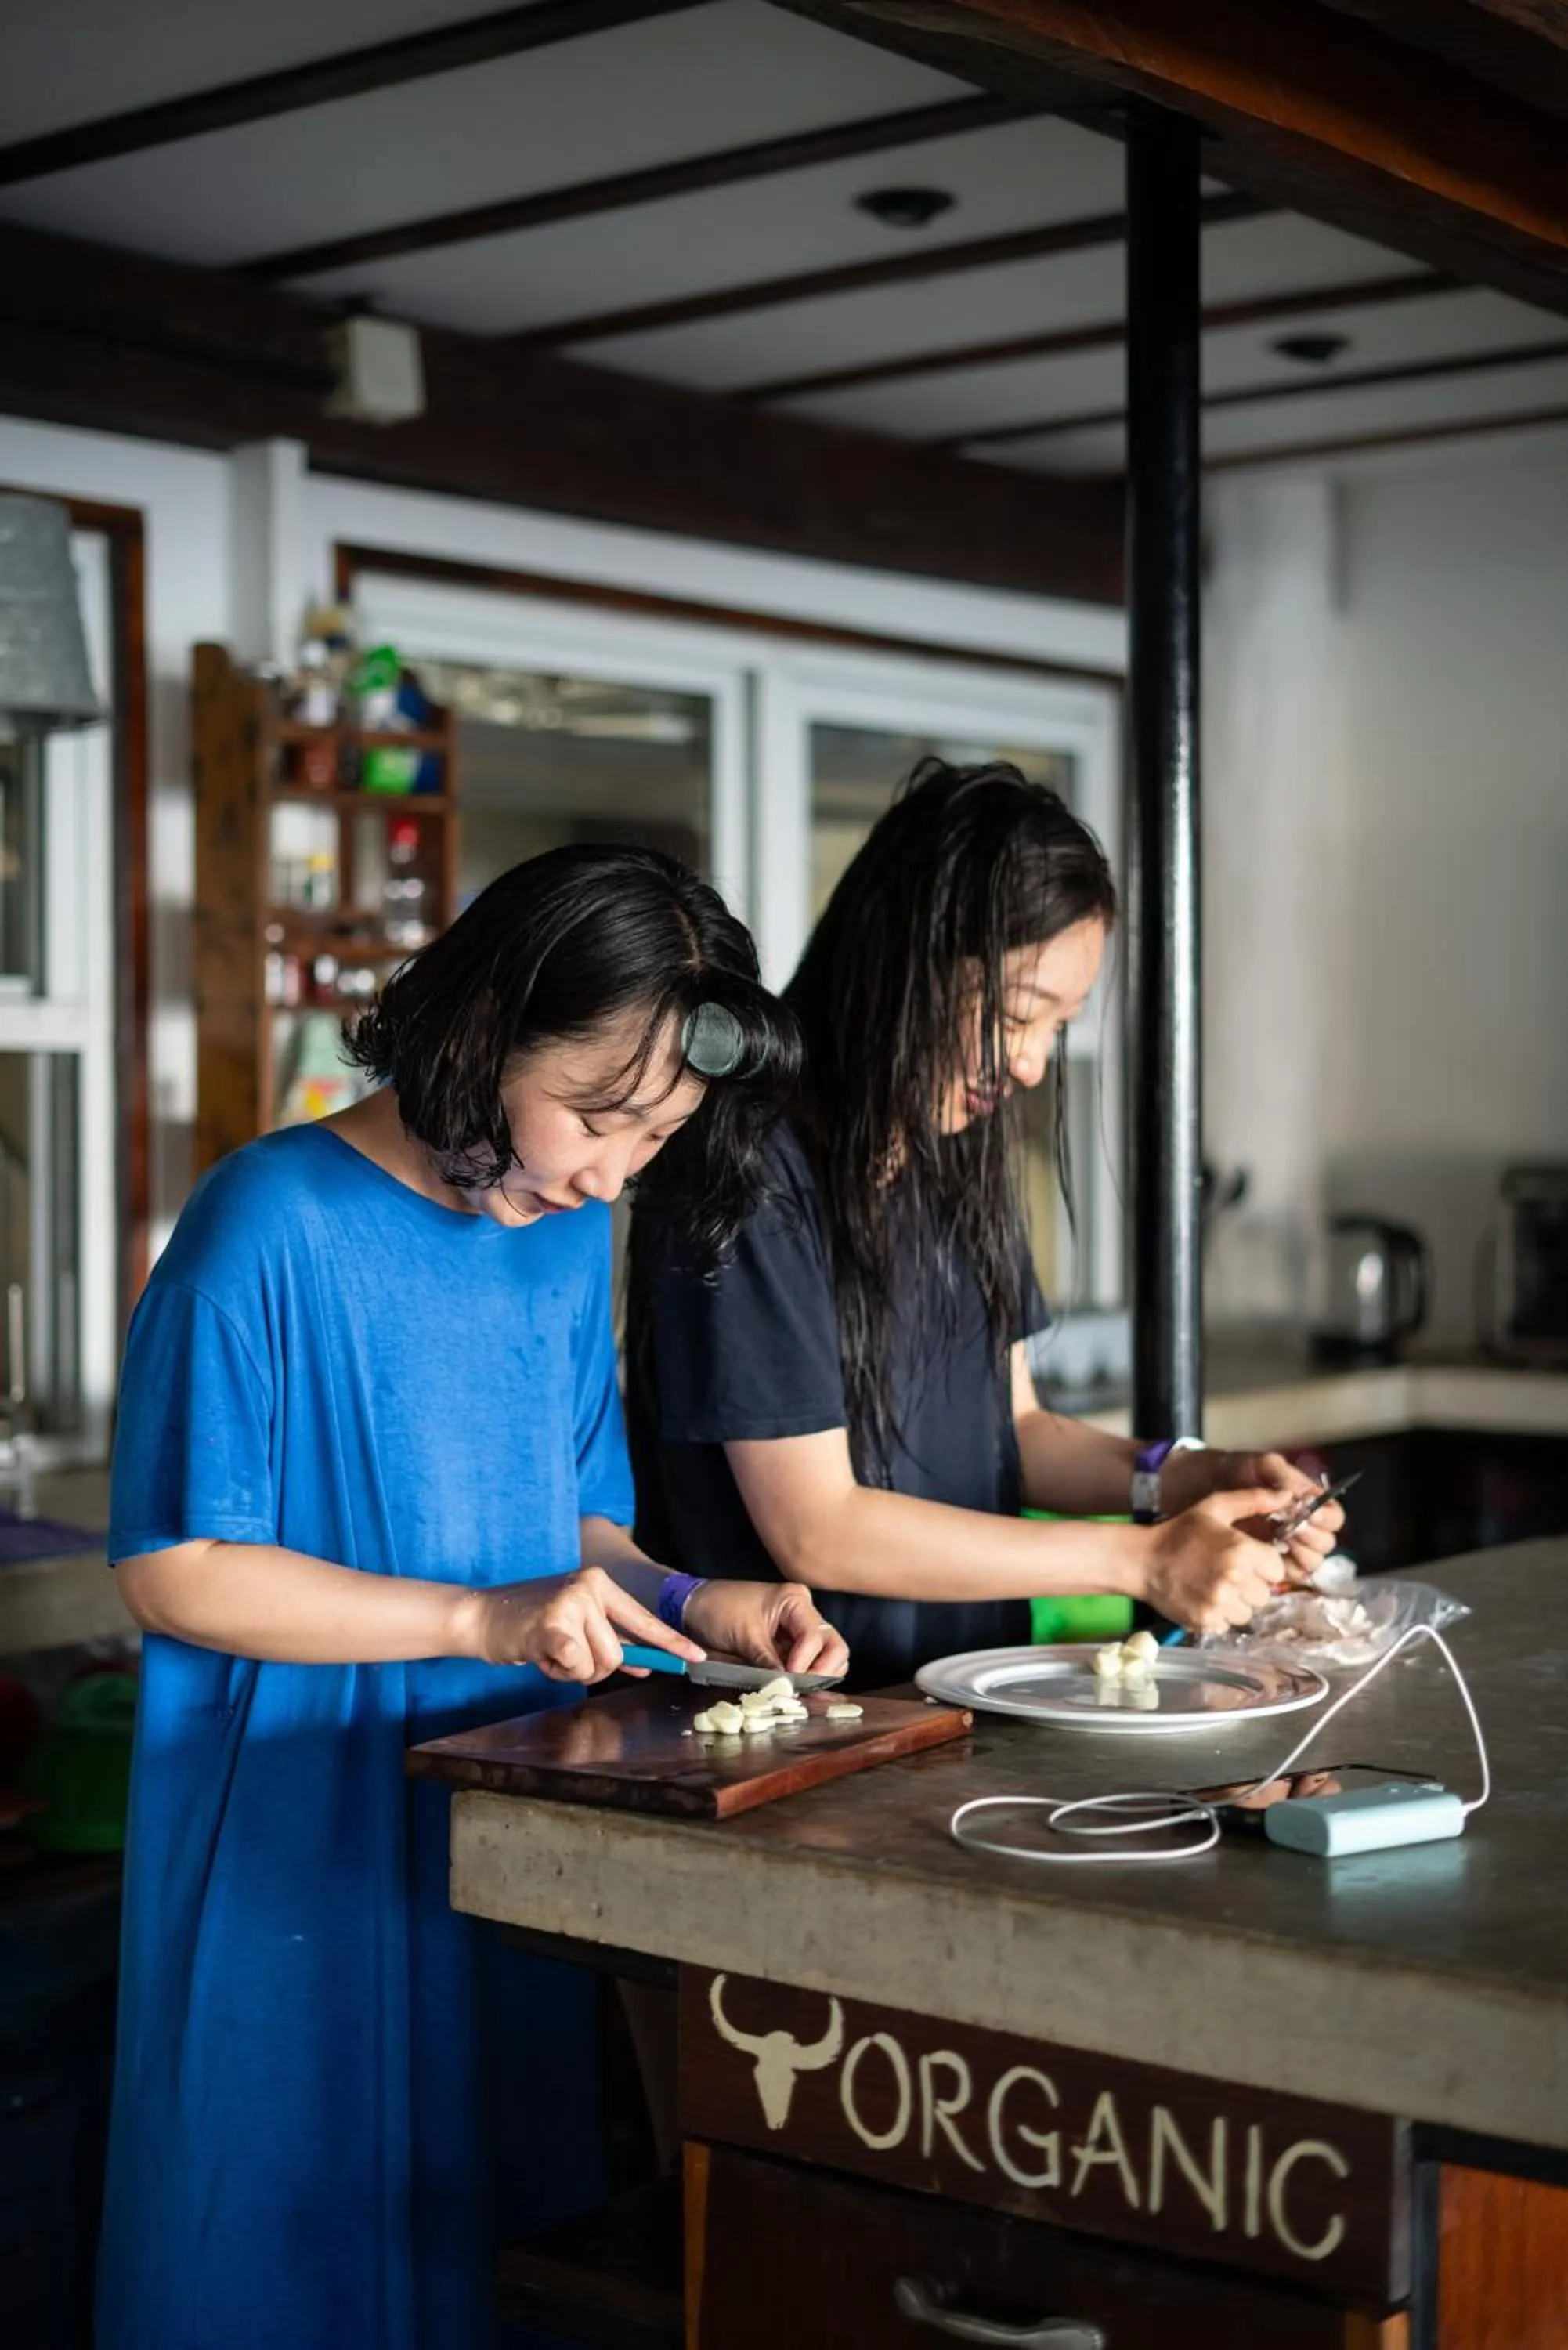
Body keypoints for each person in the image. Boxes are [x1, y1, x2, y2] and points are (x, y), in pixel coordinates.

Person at [96, 844, 847, 2350]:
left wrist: (696, 1599)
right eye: (595, 1118)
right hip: (290, 1834)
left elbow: (570, 1525)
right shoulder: (266, 1222)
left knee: (492, 2248)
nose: (610, 1173)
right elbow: (173, 1570)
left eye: (654, 1139)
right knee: (274, 2253)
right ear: (484, 1028)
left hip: (497, 1818)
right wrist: (477, 1621)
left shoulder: (563, 1235)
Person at [627, 761, 1341, 1690]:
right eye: (1016, 1016)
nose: (1032, 1064)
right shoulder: (750, 1165)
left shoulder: (952, 1157)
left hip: (961, 1697)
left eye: (1058, 1027)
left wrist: (1193, 1478)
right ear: (906, 963)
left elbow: (1021, 1433)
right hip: (791, 1723)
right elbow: (818, 1527)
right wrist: (1142, 1560)